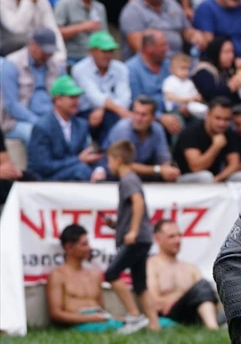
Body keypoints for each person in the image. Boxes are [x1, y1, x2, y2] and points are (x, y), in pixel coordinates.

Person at [100, 140, 157, 332]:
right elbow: (133, 209)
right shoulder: (131, 179)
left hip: (137, 239)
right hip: (143, 238)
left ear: (118, 159)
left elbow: (138, 202)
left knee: (111, 273)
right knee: (140, 285)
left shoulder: (128, 180)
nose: (108, 165)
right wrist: (116, 225)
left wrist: (132, 231)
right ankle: (154, 326)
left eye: (109, 160)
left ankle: (134, 315)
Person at [47, 225, 129, 332]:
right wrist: (89, 318)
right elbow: (56, 314)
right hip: (78, 324)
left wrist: (120, 319)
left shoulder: (95, 275)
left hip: (100, 320)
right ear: (69, 248)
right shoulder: (58, 276)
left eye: (88, 244)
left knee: (133, 324)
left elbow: (101, 311)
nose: (89, 248)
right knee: (114, 329)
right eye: (84, 244)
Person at [146, 219, 221, 329]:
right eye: (171, 237)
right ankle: (213, 328)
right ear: (158, 239)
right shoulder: (151, 265)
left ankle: (212, 326)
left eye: (179, 235)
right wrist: (185, 296)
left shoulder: (191, 268)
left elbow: (208, 299)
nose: (177, 240)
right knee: (202, 286)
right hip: (172, 315)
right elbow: (153, 302)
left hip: (195, 316)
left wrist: (175, 297)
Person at [27, 75, 102, 181]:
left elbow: (87, 155)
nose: (76, 102)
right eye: (72, 97)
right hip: (47, 181)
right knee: (81, 170)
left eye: (77, 97)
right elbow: (43, 166)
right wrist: (78, 160)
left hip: (74, 174)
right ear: (58, 100)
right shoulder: (42, 127)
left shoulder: (81, 125)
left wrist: (98, 170)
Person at [119, 0, 203, 60]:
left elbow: (186, 30)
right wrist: (172, 62)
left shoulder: (172, 3)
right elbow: (140, 49)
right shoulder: (132, 11)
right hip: (150, 66)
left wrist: (194, 36)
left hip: (179, 61)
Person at [2, 28, 65, 143]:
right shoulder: (12, 64)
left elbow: (66, 95)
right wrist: (38, 122)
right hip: (18, 121)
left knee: (79, 134)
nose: (48, 55)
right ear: (32, 45)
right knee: (38, 135)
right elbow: (11, 104)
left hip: (51, 118)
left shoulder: (57, 65)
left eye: (50, 52)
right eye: (45, 51)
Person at [99, 95, 179, 182]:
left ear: (153, 118)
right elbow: (124, 165)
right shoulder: (123, 129)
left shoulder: (157, 129)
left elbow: (164, 159)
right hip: (113, 174)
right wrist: (159, 170)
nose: (138, 119)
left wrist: (169, 171)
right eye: (136, 113)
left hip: (144, 173)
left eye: (143, 115)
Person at [71, 30, 131, 141]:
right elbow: (94, 96)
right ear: (91, 51)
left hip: (112, 113)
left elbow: (125, 98)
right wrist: (117, 110)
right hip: (85, 113)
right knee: (112, 120)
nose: (108, 55)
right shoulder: (80, 69)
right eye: (104, 51)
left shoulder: (121, 68)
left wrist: (104, 109)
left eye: (111, 51)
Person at [171, 98, 241, 182]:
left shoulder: (228, 133)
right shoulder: (191, 132)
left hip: (215, 178)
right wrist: (215, 147)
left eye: (226, 119)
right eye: (218, 118)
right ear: (208, 115)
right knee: (205, 177)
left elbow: (234, 164)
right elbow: (196, 167)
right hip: (185, 179)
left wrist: (217, 179)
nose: (222, 123)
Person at [0, 0, 64, 58]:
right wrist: (27, 1)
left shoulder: (42, 0)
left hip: (37, 54)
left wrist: (61, 55)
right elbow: (17, 29)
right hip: (7, 55)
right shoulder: (2, 0)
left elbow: (52, 29)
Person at [54, 0, 108, 65]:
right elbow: (56, 33)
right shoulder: (64, 3)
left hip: (96, 59)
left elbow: (105, 36)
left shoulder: (99, 7)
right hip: (72, 58)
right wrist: (81, 27)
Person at [191, 37, 241, 107]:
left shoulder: (227, 70)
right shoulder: (203, 70)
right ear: (216, 52)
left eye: (232, 52)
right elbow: (210, 95)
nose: (231, 56)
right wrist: (231, 86)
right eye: (226, 52)